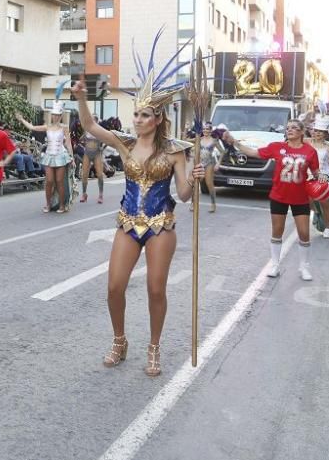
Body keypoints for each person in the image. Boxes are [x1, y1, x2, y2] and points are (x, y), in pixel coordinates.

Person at [71, 46, 204, 377]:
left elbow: (184, 196)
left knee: (155, 289)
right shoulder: (123, 143)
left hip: (161, 225)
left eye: (145, 115)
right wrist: (82, 97)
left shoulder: (176, 151)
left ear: (158, 119)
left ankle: (154, 346)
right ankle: (120, 340)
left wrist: (196, 179)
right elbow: (88, 124)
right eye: (136, 114)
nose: (138, 119)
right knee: (114, 286)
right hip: (128, 222)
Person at [223, 119, 323, 281]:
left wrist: (325, 184)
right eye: (288, 128)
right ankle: (275, 265)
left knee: (304, 233)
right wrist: (234, 142)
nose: (289, 130)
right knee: (277, 231)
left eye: (294, 128)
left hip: (301, 197)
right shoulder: (277, 147)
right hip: (279, 195)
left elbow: (316, 172)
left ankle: (304, 266)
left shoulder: (310, 151)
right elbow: (254, 152)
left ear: (301, 132)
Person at [16, 105, 74, 213]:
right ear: (51, 116)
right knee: (49, 181)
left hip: (61, 155)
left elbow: (68, 143)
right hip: (49, 155)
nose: (55, 117)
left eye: (57, 115)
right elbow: (32, 127)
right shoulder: (47, 126)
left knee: (60, 181)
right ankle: (48, 204)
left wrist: (72, 157)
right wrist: (22, 119)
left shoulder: (64, 127)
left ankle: (62, 205)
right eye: (54, 115)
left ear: (60, 116)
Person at [196, 122, 226, 213]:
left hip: (210, 163)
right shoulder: (199, 139)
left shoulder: (214, 141)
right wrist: (185, 130)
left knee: (209, 183)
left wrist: (218, 163)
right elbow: (186, 140)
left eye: (207, 129)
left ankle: (213, 204)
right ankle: (193, 204)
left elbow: (222, 152)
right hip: (200, 163)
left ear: (210, 131)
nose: (205, 131)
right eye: (204, 129)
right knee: (197, 183)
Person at [79, 114, 106, 204]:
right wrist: (83, 144)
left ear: (97, 121)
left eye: (94, 119)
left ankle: (101, 195)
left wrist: (102, 148)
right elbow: (81, 139)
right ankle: (84, 194)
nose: (92, 121)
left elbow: (107, 139)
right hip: (87, 153)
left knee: (100, 174)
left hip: (97, 153)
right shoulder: (86, 130)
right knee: (84, 174)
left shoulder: (99, 131)